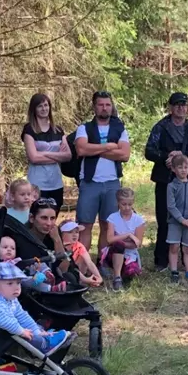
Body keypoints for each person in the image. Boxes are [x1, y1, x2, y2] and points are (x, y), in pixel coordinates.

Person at [144, 92, 188, 270]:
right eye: (177, 104)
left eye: (184, 104)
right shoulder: (161, 127)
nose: (181, 107)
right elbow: (149, 151)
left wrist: (183, 156)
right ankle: (162, 261)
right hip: (165, 180)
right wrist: (166, 156)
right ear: (170, 107)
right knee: (164, 220)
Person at [73, 91, 130, 254]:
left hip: (112, 183)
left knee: (107, 225)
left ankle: (103, 263)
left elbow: (125, 155)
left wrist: (95, 149)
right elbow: (81, 148)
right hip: (90, 183)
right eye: (101, 104)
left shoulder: (119, 128)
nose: (104, 108)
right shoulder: (84, 128)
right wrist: (108, 146)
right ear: (94, 107)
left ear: (111, 106)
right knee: (85, 226)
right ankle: (81, 265)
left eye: (107, 104)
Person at [0, 262, 72, 352]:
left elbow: (22, 315)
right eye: (10, 283)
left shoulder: (10, 299)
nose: (16, 287)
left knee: (31, 327)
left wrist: (36, 331)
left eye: (18, 282)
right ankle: (45, 345)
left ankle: (42, 335)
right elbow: (6, 321)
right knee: (24, 334)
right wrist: (22, 331)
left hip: (1, 336)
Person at [21, 93, 70, 211]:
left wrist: (44, 153)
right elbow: (33, 158)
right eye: (40, 106)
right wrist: (58, 156)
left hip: (56, 183)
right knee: (36, 217)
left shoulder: (58, 130)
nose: (44, 109)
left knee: (53, 218)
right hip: (37, 184)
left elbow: (68, 156)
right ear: (34, 109)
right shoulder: (29, 130)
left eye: (46, 105)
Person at [165, 152, 188, 285]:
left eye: (186, 167)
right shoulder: (171, 186)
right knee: (174, 247)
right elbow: (171, 206)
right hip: (175, 222)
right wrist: (181, 219)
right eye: (180, 167)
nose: (183, 170)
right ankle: (174, 271)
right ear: (174, 169)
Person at [101, 187, 146, 291]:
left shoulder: (138, 220)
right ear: (118, 203)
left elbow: (138, 243)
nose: (127, 207)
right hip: (113, 252)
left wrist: (121, 241)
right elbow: (109, 240)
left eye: (129, 204)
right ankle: (117, 277)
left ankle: (123, 272)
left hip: (130, 254)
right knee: (118, 245)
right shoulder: (112, 218)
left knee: (131, 273)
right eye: (123, 204)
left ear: (133, 202)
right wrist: (128, 236)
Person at [0, 235, 64, 293]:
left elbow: (26, 267)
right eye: (5, 247)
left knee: (36, 263)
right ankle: (52, 289)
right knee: (28, 281)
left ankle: (46, 273)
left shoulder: (17, 261)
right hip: (18, 281)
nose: (9, 250)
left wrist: (33, 268)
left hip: (25, 273)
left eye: (13, 248)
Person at [59, 220, 103, 288]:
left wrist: (99, 277)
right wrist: (87, 280)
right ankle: (83, 280)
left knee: (84, 257)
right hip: (63, 272)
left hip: (76, 271)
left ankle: (82, 280)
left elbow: (90, 263)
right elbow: (70, 267)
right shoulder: (59, 246)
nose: (74, 235)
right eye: (70, 232)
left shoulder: (79, 245)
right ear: (61, 234)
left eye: (77, 232)